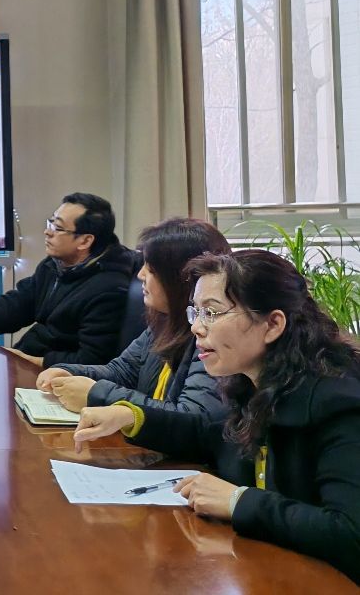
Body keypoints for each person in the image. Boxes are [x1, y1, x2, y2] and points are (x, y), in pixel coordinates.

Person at [74, 250, 360, 584]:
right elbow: (209, 435)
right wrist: (131, 416)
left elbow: (349, 534)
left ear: (273, 324)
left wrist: (239, 501)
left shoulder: (339, 403)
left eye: (211, 312)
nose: (196, 327)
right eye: (195, 311)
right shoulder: (252, 382)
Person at [36, 217, 229, 416]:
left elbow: (193, 416)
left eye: (151, 270)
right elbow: (122, 371)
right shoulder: (163, 322)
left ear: (181, 279)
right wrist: (69, 372)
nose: (140, 275)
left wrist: (97, 394)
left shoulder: (211, 338)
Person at [0, 193, 138, 367]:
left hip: (53, 377)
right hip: (30, 360)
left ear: (85, 241)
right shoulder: (56, 265)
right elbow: (19, 303)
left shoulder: (108, 288)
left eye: (58, 228)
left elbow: (93, 361)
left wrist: (33, 361)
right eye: (51, 222)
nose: (47, 232)